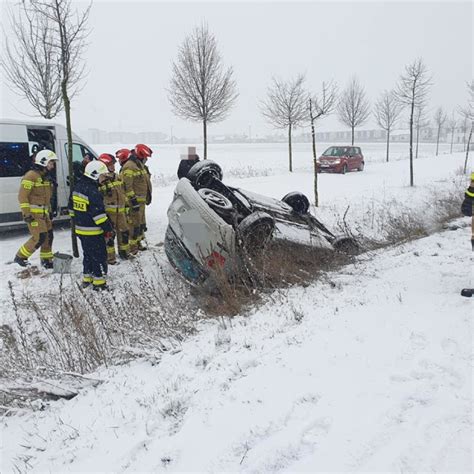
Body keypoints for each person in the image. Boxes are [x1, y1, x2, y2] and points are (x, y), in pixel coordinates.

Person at [69, 160, 113, 290]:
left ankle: (87, 278)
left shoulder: (77, 187)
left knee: (88, 255)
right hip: (94, 231)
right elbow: (98, 215)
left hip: (81, 230)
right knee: (99, 256)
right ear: (95, 175)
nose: (103, 179)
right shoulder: (93, 192)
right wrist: (108, 228)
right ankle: (99, 283)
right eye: (102, 176)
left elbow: (71, 209)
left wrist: (80, 219)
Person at [15, 149, 58, 268]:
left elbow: (47, 197)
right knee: (39, 237)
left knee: (48, 236)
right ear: (43, 162)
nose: (53, 165)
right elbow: (22, 196)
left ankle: (46, 260)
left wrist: (50, 211)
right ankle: (20, 257)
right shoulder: (31, 176)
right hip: (34, 214)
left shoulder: (45, 177)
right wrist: (27, 214)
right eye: (51, 162)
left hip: (44, 213)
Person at [117, 144, 152, 254]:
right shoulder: (130, 166)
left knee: (140, 224)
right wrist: (133, 201)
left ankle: (137, 243)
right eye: (145, 157)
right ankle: (132, 247)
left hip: (140, 202)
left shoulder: (139, 165)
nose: (146, 160)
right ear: (140, 156)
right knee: (133, 225)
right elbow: (127, 186)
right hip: (134, 203)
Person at [98, 153, 130, 263]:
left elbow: (123, 193)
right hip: (109, 213)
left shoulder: (117, 176)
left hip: (120, 212)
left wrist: (126, 206)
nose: (113, 166)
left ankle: (124, 253)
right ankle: (110, 258)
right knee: (109, 236)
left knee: (124, 232)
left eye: (113, 164)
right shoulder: (100, 179)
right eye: (110, 164)